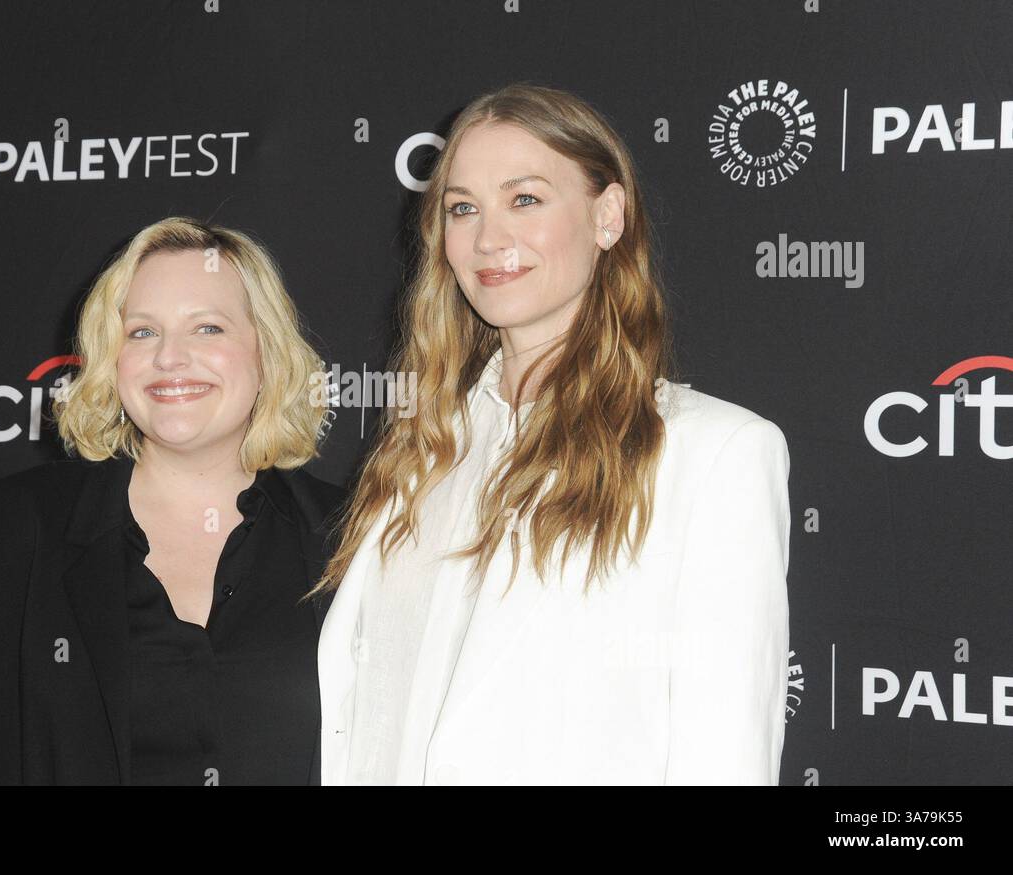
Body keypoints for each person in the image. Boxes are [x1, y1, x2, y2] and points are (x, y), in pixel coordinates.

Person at [312, 83, 792, 785]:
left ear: (608, 216)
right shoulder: (421, 451)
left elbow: (724, 754)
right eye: (463, 208)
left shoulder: (714, 455)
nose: (489, 238)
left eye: (525, 199)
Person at [0, 216, 346, 785]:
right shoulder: (13, 530)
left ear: (266, 352)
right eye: (142, 332)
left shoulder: (351, 537)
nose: (170, 358)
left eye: (207, 328)